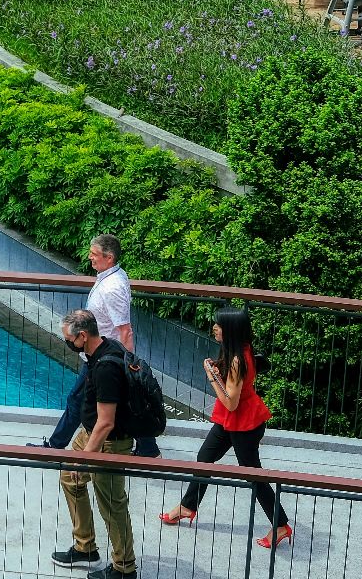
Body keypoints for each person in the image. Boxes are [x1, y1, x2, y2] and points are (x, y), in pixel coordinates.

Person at [158, 308, 293, 549]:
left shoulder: (237, 359)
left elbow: (230, 403)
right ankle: (188, 506)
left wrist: (211, 377)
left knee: (254, 476)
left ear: (230, 330)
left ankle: (280, 524)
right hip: (233, 420)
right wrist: (220, 373)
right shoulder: (238, 350)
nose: (214, 328)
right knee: (205, 457)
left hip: (243, 423)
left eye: (219, 325)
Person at [47, 236, 159, 458]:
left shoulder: (112, 288)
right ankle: (148, 447)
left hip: (104, 357)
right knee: (94, 400)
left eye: (94, 254)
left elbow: (125, 330)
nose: (89, 257)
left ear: (109, 258)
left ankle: (55, 446)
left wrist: (129, 368)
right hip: (101, 355)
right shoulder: (113, 276)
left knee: (78, 399)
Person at [51, 309, 139, 577]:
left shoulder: (106, 368)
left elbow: (106, 422)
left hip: (108, 442)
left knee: (112, 504)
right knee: (70, 479)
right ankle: (85, 547)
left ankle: (125, 568)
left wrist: (83, 458)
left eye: (69, 339)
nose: (67, 343)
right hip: (90, 434)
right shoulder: (103, 348)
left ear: (82, 336)